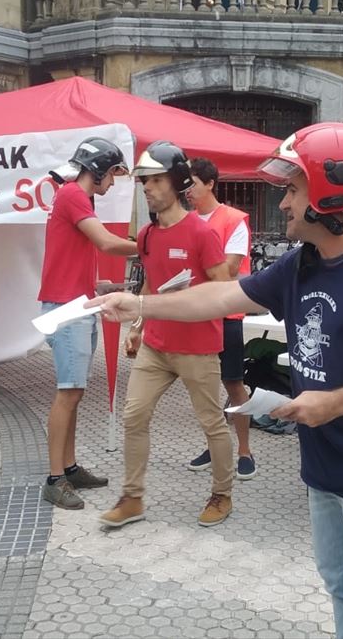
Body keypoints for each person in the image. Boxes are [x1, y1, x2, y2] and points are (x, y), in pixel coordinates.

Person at [91, 123, 343, 637]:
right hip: (326, 465)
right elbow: (222, 297)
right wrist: (140, 303)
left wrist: (333, 404)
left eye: (292, 190)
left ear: (332, 193)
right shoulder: (303, 264)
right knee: (342, 589)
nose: (281, 204)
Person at [98, 141, 236, 529]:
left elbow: (223, 289)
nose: (148, 188)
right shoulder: (145, 236)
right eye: (144, 181)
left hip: (198, 348)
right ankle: (132, 498)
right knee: (133, 416)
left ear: (177, 183)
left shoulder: (202, 234)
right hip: (156, 346)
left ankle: (222, 493)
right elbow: (148, 288)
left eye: (156, 180)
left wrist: (187, 296)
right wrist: (137, 328)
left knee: (211, 423)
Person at [37, 137, 138, 510]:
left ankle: (69, 467)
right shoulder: (73, 195)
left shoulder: (71, 196)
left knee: (74, 391)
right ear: (98, 169)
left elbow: (73, 256)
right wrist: (152, 242)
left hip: (76, 302)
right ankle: (54, 478)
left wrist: (100, 286)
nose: (112, 183)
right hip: (68, 308)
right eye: (112, 175)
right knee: (68, 392)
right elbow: (107, 244)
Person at [183, 157, 258, 480]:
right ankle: (214, 446)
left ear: (210, 183)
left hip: (227, 314)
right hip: (199, 313)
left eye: (192, 183)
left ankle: (244, 450)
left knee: (234, 383)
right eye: (184, 185)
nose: (187, 191)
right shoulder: (186, 222)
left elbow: (228, 270)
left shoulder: (233, 220)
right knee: (205, 387)